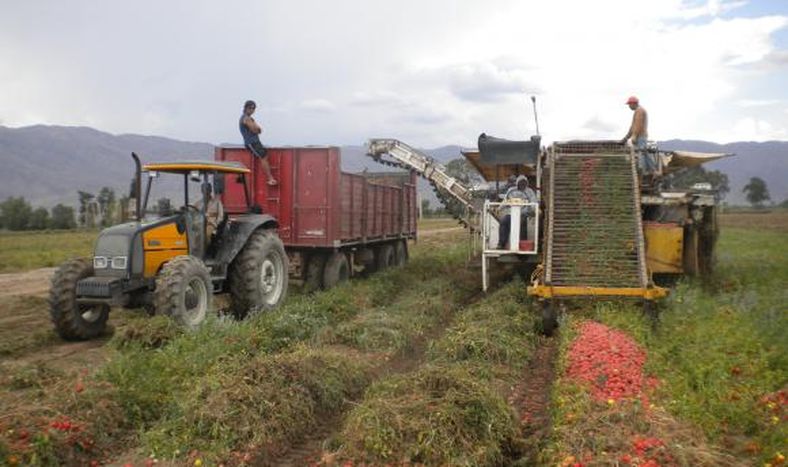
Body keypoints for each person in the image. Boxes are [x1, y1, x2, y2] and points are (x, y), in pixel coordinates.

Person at [239, 100, 277, 185]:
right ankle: (270, 179)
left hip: (255, 142)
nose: (252, 110)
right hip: (251, 142)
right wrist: (257, 129)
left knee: (264, 155)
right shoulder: (246, 118)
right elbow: (255, 130)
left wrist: (257, 129)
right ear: (245, 108)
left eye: (254, 108)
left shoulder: (250, 118)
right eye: (250, 108)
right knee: (263, 157)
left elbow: (259, 129)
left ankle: (270, 178)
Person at [498, 175, 537, 249]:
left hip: (524, 214)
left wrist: (535, 209)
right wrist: (499, 208)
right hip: (511, 213)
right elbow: (505, 201)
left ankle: (522, 245)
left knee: (522, 222)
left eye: (524, 183)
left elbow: (533, 202)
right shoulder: (511, 190)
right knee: (504, 221)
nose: (522, 184)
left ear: (526, 183)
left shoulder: (530, 191)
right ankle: (501, 243)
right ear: (517, 183)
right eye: (520, 182)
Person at [621, 95, 655, 174]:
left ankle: (643, 172)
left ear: (634, 103)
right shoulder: (638, 111)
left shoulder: (639, 111)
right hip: (641, 136)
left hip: (640, 136)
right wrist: (626, 138)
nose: (629, 106)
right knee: (644, 153)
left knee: (641, 154)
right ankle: (653, 171)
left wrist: (634, 136)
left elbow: (638, 125)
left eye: (629, 104)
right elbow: (632, 127)